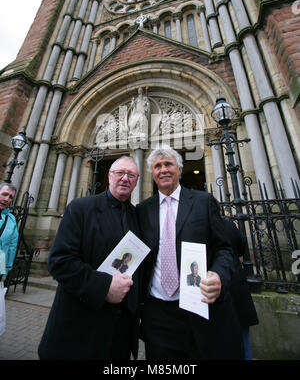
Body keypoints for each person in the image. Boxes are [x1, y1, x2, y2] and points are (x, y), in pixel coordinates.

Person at [136, 145, 244, 360]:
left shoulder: (203, 202)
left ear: (179, 168)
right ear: (152, 173)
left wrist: (219, 276)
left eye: (168, 164)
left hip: (200, 306)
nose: (163, 169)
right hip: (157, 312)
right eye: (157, 166)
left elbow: (225, 248)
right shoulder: (142, 210)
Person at [38, 156, 141, 360]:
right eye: (120, 173)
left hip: (119, 333)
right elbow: (60, 262)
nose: (125, 179)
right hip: (81, 327)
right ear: (110, 176)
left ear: (137, 181)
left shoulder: (137, 215)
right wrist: (104, 287)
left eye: (131, 175)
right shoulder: (81, 208)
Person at [222, 218, 259, 360]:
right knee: (243, 342)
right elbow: (241, 250)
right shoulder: (229, 225)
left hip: (224, 293)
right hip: (237, 288)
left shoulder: (201, 227)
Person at [0, 183, 18, 283]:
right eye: (4, 194)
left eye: (10, 197)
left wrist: (6, 270)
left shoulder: (11, 220)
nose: (7, 199)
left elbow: (12, 246)